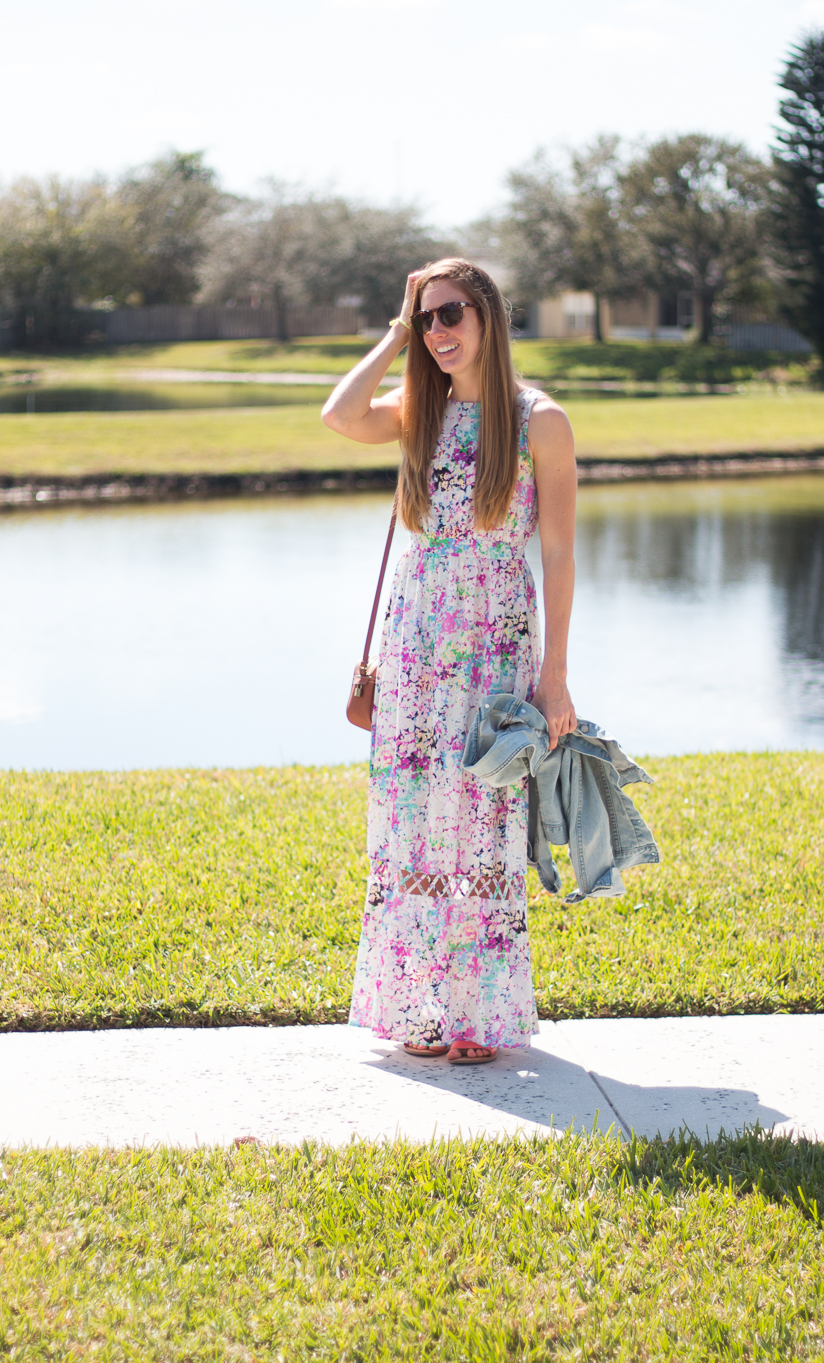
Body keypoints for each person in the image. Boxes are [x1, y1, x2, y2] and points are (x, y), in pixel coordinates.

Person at [322, 258, 577, 1064]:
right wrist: (394, 329)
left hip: (498, 644)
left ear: (489, 317)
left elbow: (561, 554)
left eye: (450, 314)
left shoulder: (541, 420)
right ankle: (420, 1008)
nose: (438, 332)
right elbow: (338, 413)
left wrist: (557, 675)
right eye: (427, 318)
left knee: (482, 825)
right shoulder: (418, 412)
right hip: (416, 642)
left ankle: (476, 1015)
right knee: (413, 826)